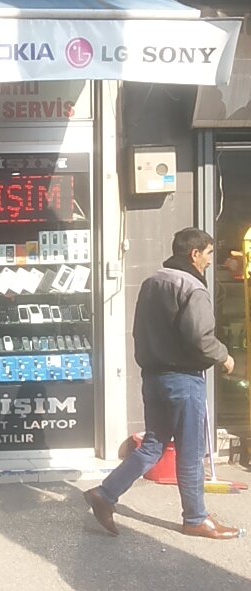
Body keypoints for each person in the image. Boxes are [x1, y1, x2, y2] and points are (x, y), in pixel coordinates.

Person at [85, 227, 241, 540]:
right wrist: (224, 356)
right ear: (194, 254)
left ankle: (105, 493)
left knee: (153, 446)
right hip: (183, 380)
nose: (210, 261)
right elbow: (200, 337)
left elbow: (138, 330)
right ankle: (195, 518)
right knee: (190, 451)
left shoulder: (151, 281)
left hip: (153, 376)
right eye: (209, 254)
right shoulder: (192, 287)